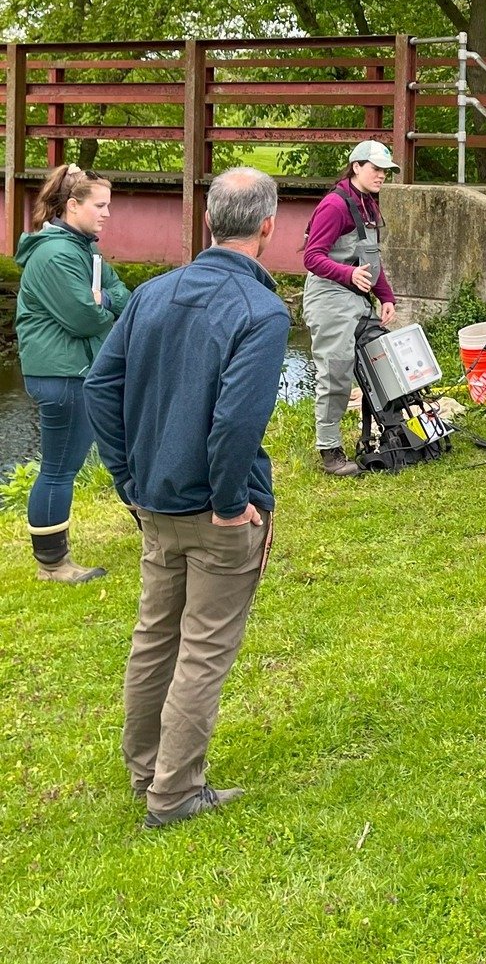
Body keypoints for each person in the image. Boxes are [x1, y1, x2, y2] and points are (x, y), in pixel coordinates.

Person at [84, 168, 290, 829]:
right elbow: (235, 423)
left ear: (208, 224)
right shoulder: (261, 311)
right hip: (211, 511)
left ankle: (148, 771)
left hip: (157, 504)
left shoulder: (154, 294)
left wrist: (130, 479)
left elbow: (99, 389)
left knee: (154, 640)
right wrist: (230, 502)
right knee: (200, 649)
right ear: (267, 227)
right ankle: (172, 794)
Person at [14, 164, 131, 582]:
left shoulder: (84, 249)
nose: (106, 214)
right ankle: (52, 564)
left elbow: (122, 296)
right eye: (99, 205)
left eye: (108, 205)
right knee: (59, 468)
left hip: (78, 370)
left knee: (91, 458)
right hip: (62, 374)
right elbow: (84, 317)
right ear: (72, 205)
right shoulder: (56, 253)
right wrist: (101, 306)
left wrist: (104, 302)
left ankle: (153, 530)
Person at [302, 139, 399, 476]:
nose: (382, 175)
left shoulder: (368, 202)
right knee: (336, 371)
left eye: (386, 171)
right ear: (356, 166)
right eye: (376, 169)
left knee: (380, 360)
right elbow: (311, 256)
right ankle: (330, 451)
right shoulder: (335, 205)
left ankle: (390, 432)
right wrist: (348, 273)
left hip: (355, 293)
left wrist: (386, 296)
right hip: (328, 296)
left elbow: (371, 259)